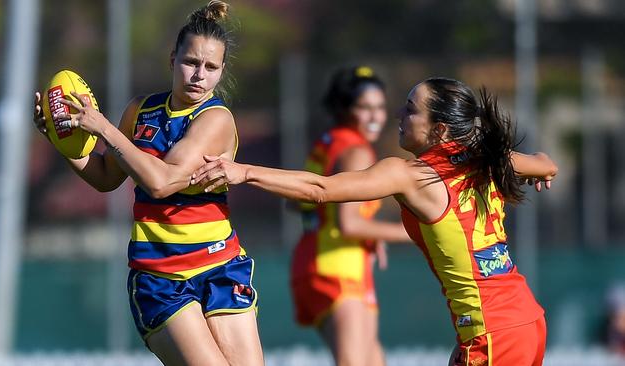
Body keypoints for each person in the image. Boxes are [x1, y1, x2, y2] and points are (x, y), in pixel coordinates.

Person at [193, 77, 558, 366]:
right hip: (526, 320)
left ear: (440, 131)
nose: (399, 114)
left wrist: (243, 171)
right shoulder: (484, 159)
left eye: (411, 109)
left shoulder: (411, 175)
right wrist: (541, 170)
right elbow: (546, 163)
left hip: (492, 331)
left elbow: (320, 188)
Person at [32, 1, 264, 365]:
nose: (199, 75)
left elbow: (162, 182)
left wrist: (105, 128)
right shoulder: (140, 111)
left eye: (210, 67)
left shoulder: (215, 119)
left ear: (220, 72)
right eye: (191, 62)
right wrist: (62, 141)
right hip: (160, 279)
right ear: (173, 59)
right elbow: (107, 177)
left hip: (220, 266)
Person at [291, 66, 411, 366]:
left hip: (315, 262)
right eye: (365, 108)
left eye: (380, 108)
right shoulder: (356, 152)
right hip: (339, 269)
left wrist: (371, 236)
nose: (376, 117)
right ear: (346, 109)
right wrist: (412, 233)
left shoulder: (328, 143)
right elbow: (350, 223)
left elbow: (297, 203)